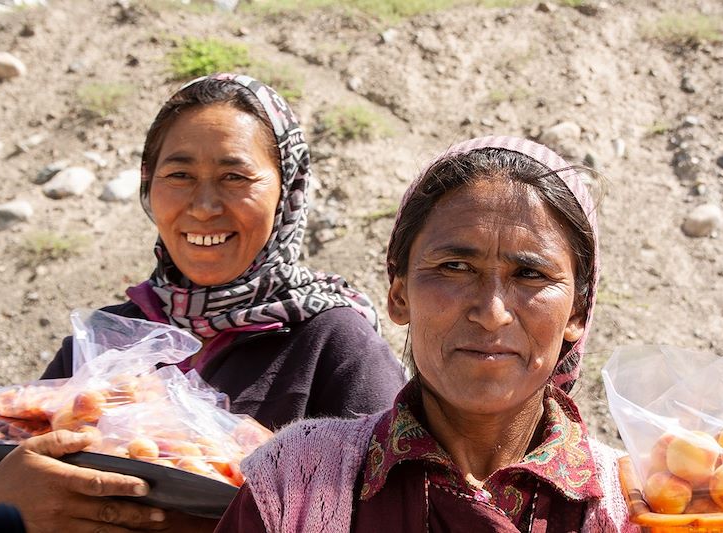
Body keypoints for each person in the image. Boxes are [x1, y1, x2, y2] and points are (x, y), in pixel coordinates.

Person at [0, 74, 405, 533]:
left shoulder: (336, 344)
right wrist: (2, 501)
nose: (205, 206)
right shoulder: (100, 343)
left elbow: (399, 512)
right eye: (179, 175)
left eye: (235, 176)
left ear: (287, 191)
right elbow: (21, 456)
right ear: (149, 184)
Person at [214, 136, 640, 532]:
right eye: (454, 268)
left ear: (578, 313)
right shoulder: (292, 482)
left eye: (530, 274)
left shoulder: (645, 507)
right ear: (398, 295)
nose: (492, 313)